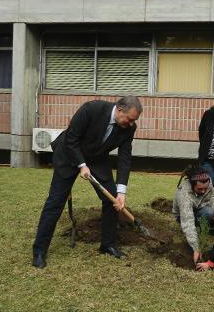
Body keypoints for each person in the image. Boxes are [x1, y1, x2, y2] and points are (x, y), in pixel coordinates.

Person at [32, 96, 142, 269]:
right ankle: (39, 251)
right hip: (69, 154)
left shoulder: (129, 127)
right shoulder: (92, 109)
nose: (130, 123)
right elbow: (71, 138)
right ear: (120, 110)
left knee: (111, 198)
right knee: (55, 201)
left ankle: (108, 244)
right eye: (129, 119)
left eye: (134, 121)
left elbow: (124, 158)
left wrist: (121, 192)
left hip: (97, 158)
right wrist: (81, 165)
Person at [172, 166, 214, 264]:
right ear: (192, 185)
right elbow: (188, 222)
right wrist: (196, 248)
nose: (203, 191)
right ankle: (198, 230)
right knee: (208, 213)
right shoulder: (184, 195)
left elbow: (212, 197)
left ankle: (205, 224)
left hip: (200, 208)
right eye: (200, 189)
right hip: (183, 216)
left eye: (205, 188)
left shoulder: (207, 181)